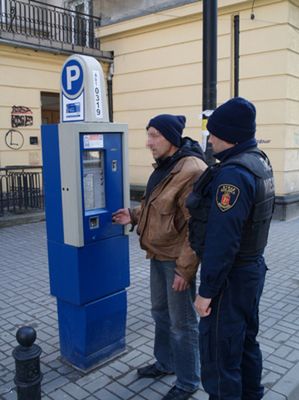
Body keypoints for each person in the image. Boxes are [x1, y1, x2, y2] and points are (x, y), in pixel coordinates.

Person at [113, 114, 207, 400]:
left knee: (183, 323)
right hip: (158, 255)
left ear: (170, 137)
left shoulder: (191, 170)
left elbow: (197, 226)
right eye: (148, 134)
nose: (148, 142)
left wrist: (184, 270)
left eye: (154, 135)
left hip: (176, 261)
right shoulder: (166, 167)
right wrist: (133, 215)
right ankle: (165, 363)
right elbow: (159, 211)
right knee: (160, 313)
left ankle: (189, 381)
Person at [186, 97, 275, 400]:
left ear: (230, 135)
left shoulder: (233, 175)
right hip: (251, 271)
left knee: (220, 354)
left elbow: (223, 242)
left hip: (231, 278)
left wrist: (206, 292)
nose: (209, 139)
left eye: (214, 133)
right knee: (246, 343)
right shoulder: (259, 160)